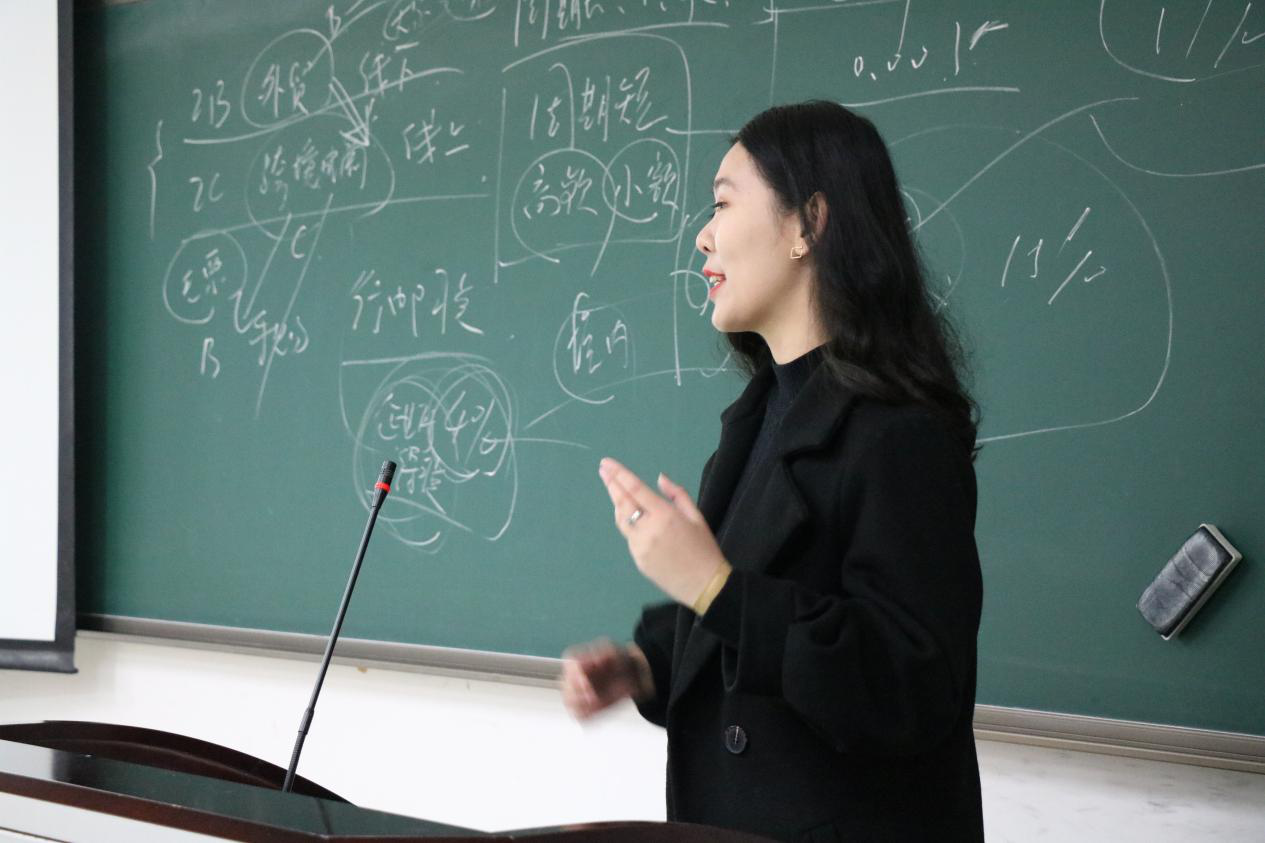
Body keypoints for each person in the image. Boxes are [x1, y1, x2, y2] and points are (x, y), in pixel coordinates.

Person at [560, 100, 984, 842]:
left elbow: (909, 686)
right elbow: (755, 618)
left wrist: (712, 586)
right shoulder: (759, 417)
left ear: (806, 224)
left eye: (723, 203)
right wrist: (644, 665)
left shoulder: (900, 433)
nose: (702, 235)